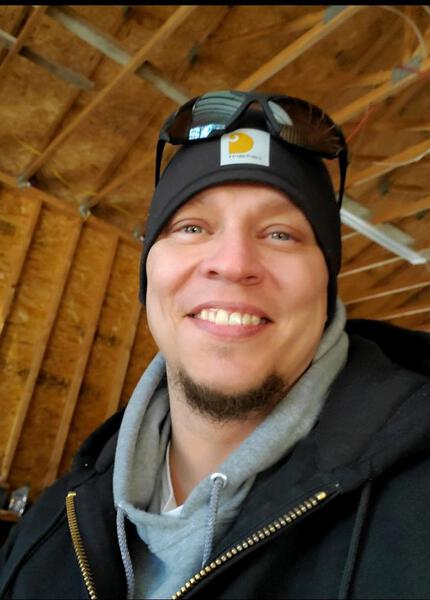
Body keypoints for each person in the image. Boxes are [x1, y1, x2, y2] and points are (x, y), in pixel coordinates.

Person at [1, 90, 430, 600]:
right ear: (149, 278)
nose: (231, 263)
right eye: (192, 227)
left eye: (280, 234)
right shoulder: (47, 530)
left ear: (326, 289)